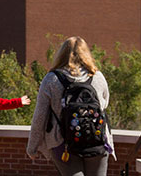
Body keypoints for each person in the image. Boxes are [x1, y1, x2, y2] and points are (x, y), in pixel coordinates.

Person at [26, 36, 113, 176]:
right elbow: (104, 103)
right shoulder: (98, 76)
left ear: (61, 54)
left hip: (63, 143)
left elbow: (40, 116)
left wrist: (32, 147)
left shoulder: (51, 79)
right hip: (97, 141)